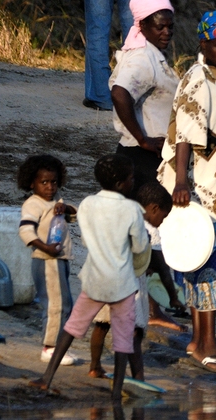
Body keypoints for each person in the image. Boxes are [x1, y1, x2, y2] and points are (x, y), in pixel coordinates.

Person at [158, 9, 216, 376]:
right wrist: (180, 181)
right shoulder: (198, 79)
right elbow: (186, 133)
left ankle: (199, 341)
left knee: (204, 263)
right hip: (198, 190)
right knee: (208, 268)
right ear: (203, 43)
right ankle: (206, 345)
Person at [30, 154, 149, 401]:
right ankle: (116, 392)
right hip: (123, 283)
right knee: (123, 339)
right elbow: (139, 247)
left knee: (72, 327)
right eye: (130, 179)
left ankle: (46, 377)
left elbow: (86, 239)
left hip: (94, 279)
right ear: (120, 184)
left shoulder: (87, 204)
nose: (132, 182)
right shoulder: (132, 209)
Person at [108, 0, 185, 330]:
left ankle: (149, 306)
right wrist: (141, 136)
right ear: (142, 25)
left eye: (169, 26)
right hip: (139, 157)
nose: (166, 31)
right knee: (147, 235)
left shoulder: (152, 55)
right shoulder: (141, 58)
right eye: (159, 26)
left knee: (147, 235)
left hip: (146, 156)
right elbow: (119, 93)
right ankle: (151, 309)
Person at [88, 181, 175, 379]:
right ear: (154, 208)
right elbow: (160, 265)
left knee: (102, 324)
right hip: (132, 286)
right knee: (135, 332)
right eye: (163, 216)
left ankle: (94, 366)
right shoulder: (150, 231)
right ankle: (138, 377)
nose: (162, 221)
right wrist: (173, 296)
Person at [17, 154, 80, 366]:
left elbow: (75, 215)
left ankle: (56, 346)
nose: (50, 187)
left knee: (64, 302)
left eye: (53, 182)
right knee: (55, 304)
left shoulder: (56, 201)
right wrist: (46, 248)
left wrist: (66, 208)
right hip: (46, 259)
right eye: (44, 182)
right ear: (31, 183)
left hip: (59, 259)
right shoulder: (33, 204)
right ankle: (50, 347)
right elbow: (25, 231)